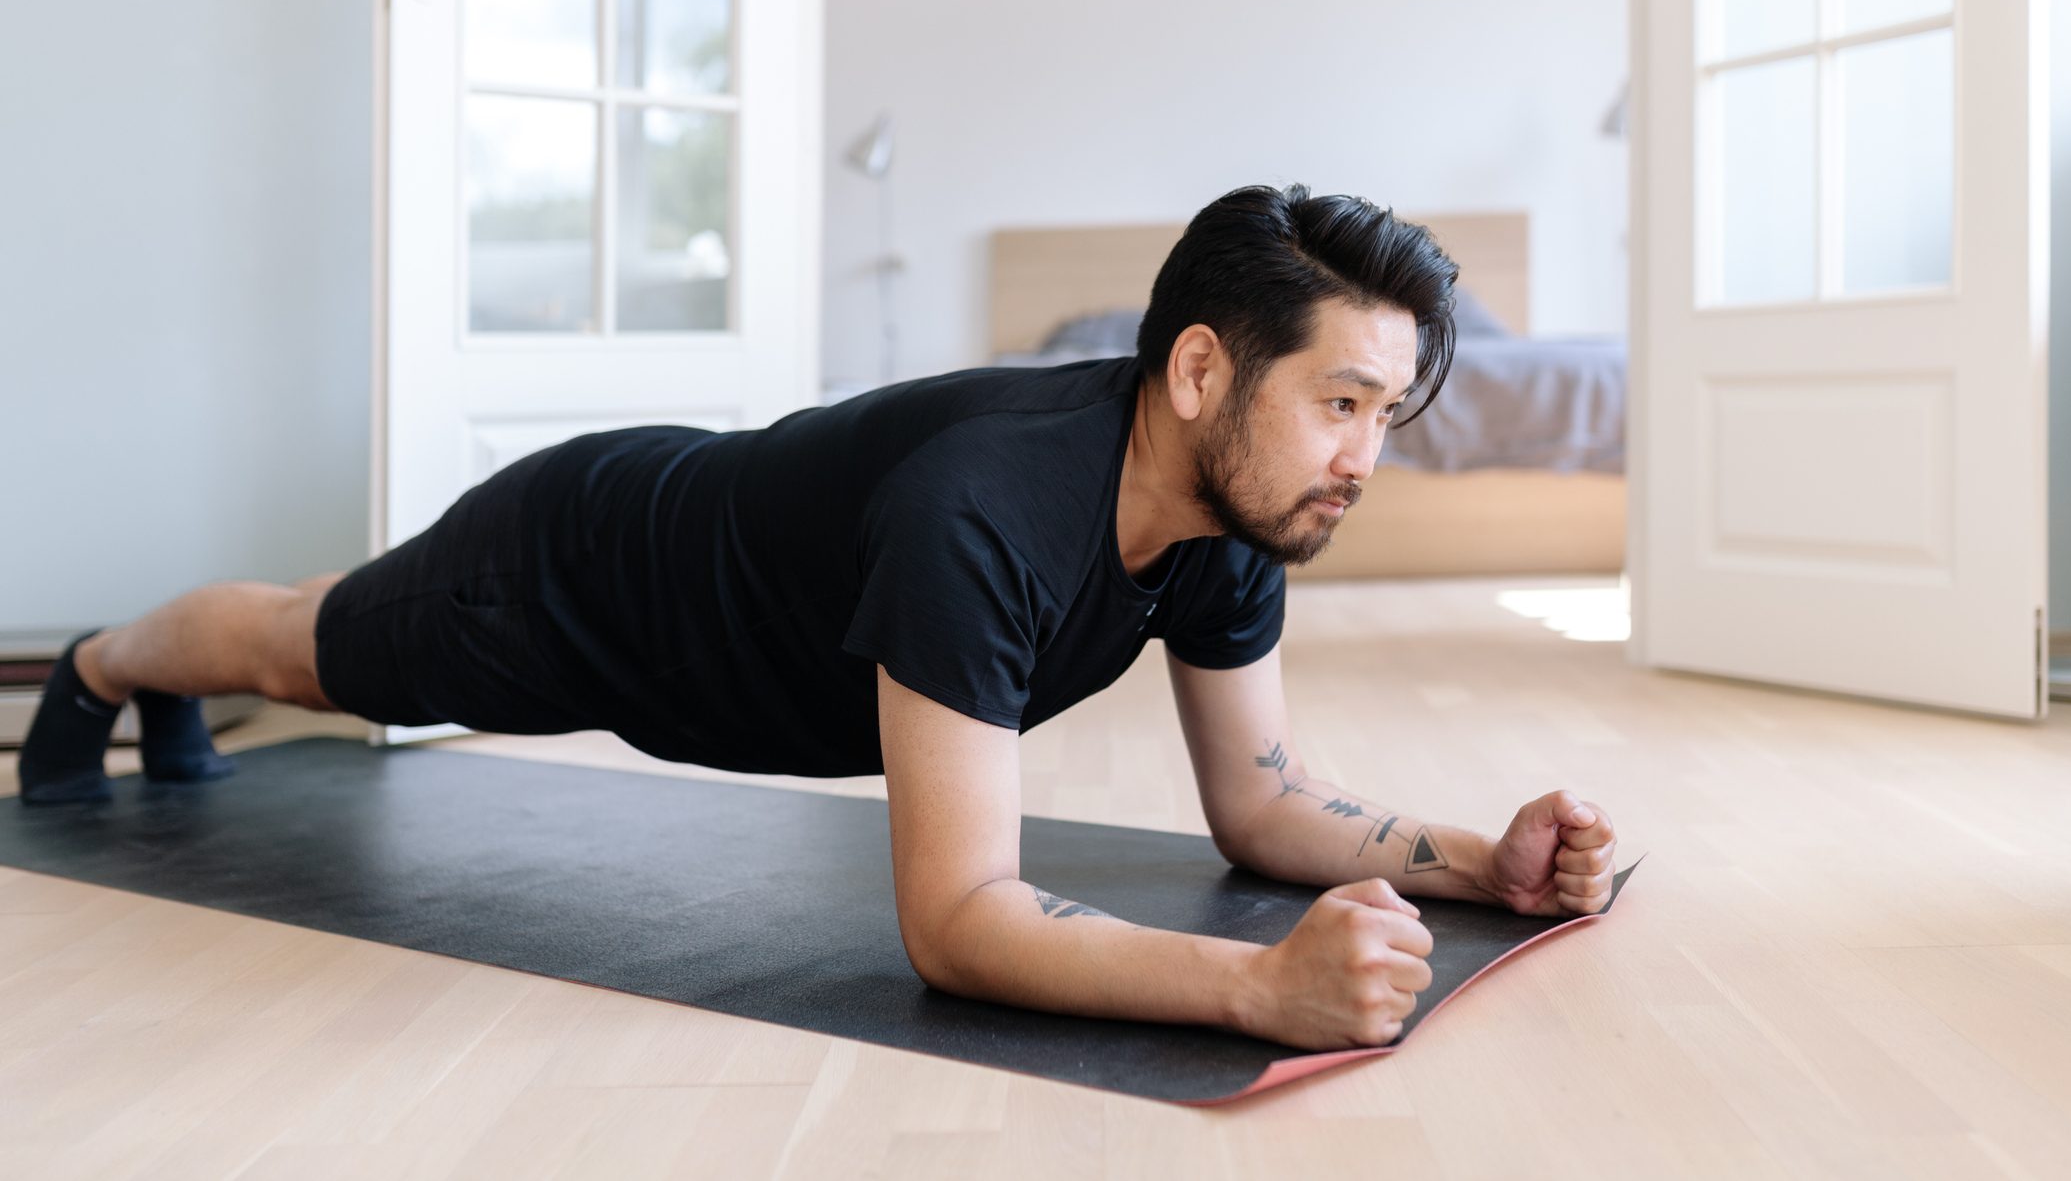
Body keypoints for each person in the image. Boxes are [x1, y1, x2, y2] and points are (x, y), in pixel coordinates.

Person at [19, 182, 1619, 1050]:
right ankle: (101, 664)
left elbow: (1260, 794)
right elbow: (959, 918)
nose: (1362, 456)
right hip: (574, 572)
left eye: (1386, 414)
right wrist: (1255, 991)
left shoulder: (1229, 516)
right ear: (1200, 369)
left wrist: (1488, 860)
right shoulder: (982, 510)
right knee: (302, 644)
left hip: (699, 578)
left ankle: (132, 669)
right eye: (1339, 399)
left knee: (304, 633)